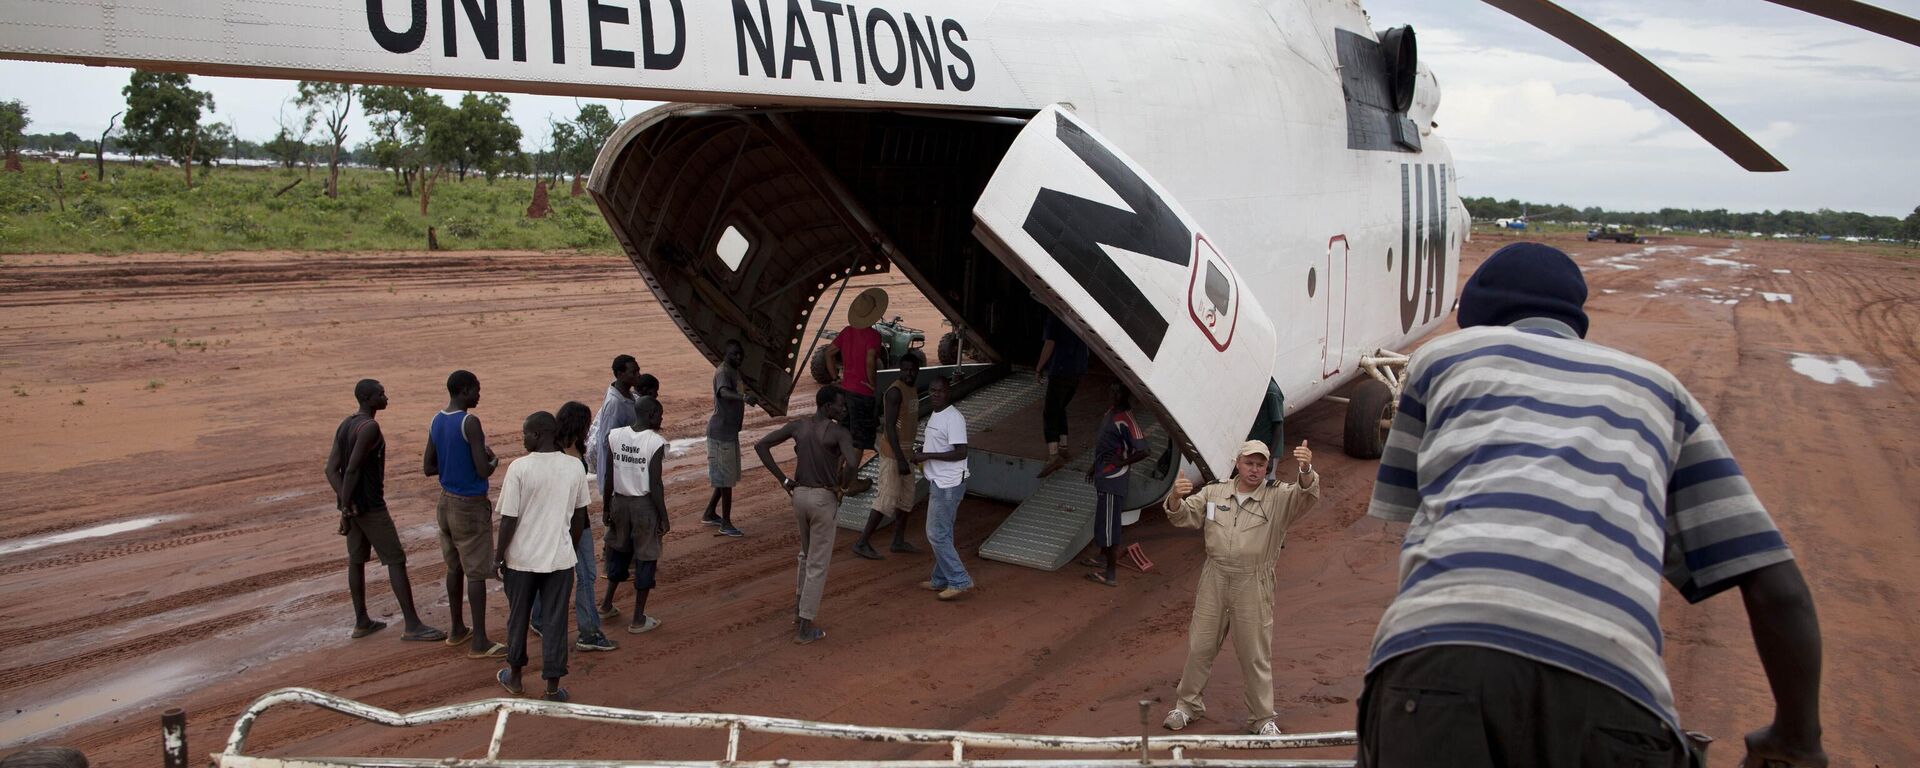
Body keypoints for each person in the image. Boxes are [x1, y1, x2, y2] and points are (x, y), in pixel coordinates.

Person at [1356, 243, 1825, 768]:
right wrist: (1795, 738)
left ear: (1472, 315)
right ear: (1577, 322)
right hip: (1615, 689)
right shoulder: (1661, 391)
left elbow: (1408, 505)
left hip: (1435, 661)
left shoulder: (1443, 358)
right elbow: (1777, 587)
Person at [1161, 439, 1319, 736]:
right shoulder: (1214, 492)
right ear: (1238, 463)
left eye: (1261, 465)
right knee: (1200, 646)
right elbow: (1184, 516)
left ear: (1267, 468)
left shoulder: (1279, 498)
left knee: (1254, 653)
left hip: (1253, 581)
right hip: (1215, 577)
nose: (1255, 469)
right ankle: (1186, 706)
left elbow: (1306, 496)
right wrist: (1174, 498)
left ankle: (1262, 719)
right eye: (1250, 463)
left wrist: (1306, 469)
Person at [324, 379, 445, 642]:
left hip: (354, 506)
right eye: (381, 394)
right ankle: (412, 625)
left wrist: (345, 505)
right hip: (369, 507)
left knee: (356, 561)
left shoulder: (347, 424)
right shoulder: (369, 428)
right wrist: (347, 506)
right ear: (368, 398)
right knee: (395, 560)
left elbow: (331, 469)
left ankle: (362, 621)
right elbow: (353, 469)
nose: (385, 397)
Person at [493, 411, 592, 702]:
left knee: (518, 618)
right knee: (555, 621)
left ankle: (515, 676)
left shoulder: (519, 468)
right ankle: (551, 687)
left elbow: (508, 519)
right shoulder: (574, 467)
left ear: (539, 434)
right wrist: (568, 549)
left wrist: (499, 557)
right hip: (559, 561)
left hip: (521, 560)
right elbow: (579, 518)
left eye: (525, 433)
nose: (523, 438)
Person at [755, 386, 857, 644]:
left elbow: (761, 445)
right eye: (839, 405)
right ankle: (805, 626)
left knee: (805, 555)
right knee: (817, 564)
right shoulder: (838, 432)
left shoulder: (799, 426)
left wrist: (783, 479)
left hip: (799, 496)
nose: (843, 409)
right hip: (824, 498)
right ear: (826, 407)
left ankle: (799, 613)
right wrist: (843, 487)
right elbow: (853, 463)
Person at [423, 370, 504, 659]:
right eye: (476, 390)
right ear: (465, 390)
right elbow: (483, 469)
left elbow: (429, 467)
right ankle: (479, 641)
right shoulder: (470, 422)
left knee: (454, 566)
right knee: (478, 571)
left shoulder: (437, 419)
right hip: (469, 504)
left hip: (445, 501)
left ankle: (457, 628)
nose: (479, 395)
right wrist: (492, 460)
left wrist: (453, 464)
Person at [529, 401, 617, 652]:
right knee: (586, 575)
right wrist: (575, 535)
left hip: (550, 521)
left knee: (545, 571)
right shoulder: (573, 457)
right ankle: (588, 632)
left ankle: (538, 618)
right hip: (574, 523)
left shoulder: (553, 449)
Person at [601, 397, 670, 634]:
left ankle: (607, 603)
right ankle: (638, 618)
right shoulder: (656, 442)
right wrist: (664, 516)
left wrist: (606, 507)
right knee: (646, 557)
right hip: (644, 506)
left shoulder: (615, 435)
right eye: (659, 415)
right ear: (651, 414)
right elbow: (656, 484)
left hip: (619, 502)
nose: (661, 419)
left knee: (619, 551)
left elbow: (609, 476)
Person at [853, 350, 924, 560]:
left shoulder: (911, 389)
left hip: (906, 454)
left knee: (905, 499)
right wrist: (901, 458)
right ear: (900, 369)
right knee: (886, 498)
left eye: (913, 370)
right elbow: (890, 428)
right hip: (894, 455)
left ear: (918, 370)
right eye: (906, 369)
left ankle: (898, 541)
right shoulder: (895, 392)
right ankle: (862, 542)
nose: (909, 373)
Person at [1082, 384, 1149, 587]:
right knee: (1104, 522)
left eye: (1116, 392)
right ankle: (1103, 557)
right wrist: (1095, 466)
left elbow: (1144, 450)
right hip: (1104, 476)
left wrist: (1121, 463)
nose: (1111, 394)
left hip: (1114, 479)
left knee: (1110, 527)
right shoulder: (1111, 413)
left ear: (1125, 394)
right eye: (1110, 390)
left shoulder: (1126, 419)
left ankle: (1110, 574)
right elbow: (1104, 443)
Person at [913, 376, 974, 600]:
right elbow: (941, 443)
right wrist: (924, 450)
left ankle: (959, 579)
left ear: (948, 392)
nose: (935, 394)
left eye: (940, 391)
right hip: (938, 480)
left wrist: (927, 455)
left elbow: (961, 452)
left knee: (936, 534)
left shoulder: (953, 418)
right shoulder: (936, 414)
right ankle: (940, 579)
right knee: (943, 533)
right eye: (932, 390)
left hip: (948, 484)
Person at [825, 287, 888, 494]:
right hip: (862, 394)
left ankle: (834, 478)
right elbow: (870, 360)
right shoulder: (873, 336)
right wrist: (871, 383)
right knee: (858, 441)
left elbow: (829, 353)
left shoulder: (846, 332)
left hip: (844, 392)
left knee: (844, 435)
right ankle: (851, 483)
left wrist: (835, 378)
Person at [702, 340, 759, 537]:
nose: (738, 358)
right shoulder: (723, 372)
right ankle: (725, 522)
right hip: (720, 433)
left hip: (729, 432)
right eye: (734, 354)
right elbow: (724, 392)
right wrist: (743, 398)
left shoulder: (734, 371)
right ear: (725, 353)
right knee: (726, 481)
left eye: (740, 355)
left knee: (725, 478)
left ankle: (710, 512)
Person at [1035, 314, 1091, 477]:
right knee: (1060, 407)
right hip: (1077, 369)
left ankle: (1054, 454)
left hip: (1060, 368)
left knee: (1050, 411)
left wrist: (1039, 367)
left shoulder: (1054, 318)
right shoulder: (1078, 315)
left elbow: (1049, 344)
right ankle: (1064, 447)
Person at [585, 354, 642, 487]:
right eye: (633, 372)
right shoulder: (615, 403)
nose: (638, 375)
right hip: (618, 473)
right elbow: (609, 442)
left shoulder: (626, 395)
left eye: (638, 370)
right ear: (620, 374)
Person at [1246, 380, 1285, 479]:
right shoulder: (1258, 388)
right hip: (1255, 447)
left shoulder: (1271, 393)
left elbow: (1278, 425)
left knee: (1267, 484)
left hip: (1267, 448)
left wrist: (1270, 457)